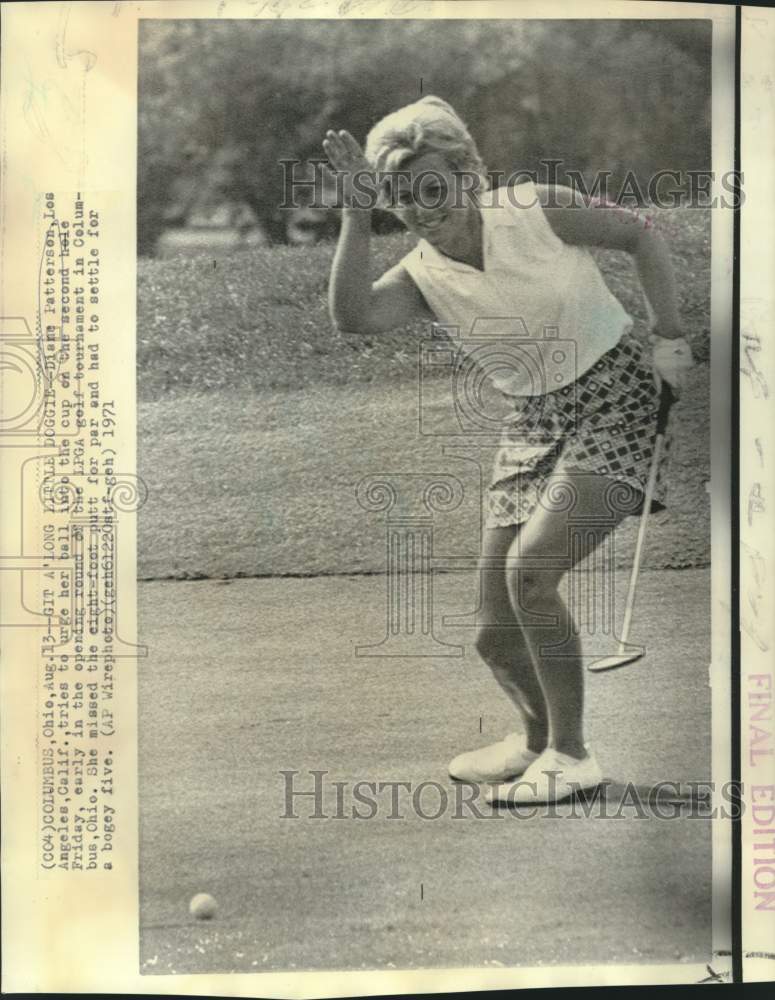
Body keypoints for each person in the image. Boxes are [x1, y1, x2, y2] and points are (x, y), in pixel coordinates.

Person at [323, 96, 694, 804]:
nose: (421, 208)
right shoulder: (421, 274)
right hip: (531, 419)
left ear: (467, 175)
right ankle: (532, 743)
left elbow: (639, 235)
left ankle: (571, 754)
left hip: (616, 389)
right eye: (400, 196)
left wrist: (668, 332)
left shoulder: (534, 208)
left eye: (432, 186)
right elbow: (353, 317)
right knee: (494, 632)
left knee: (531, 573)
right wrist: (352, 211)